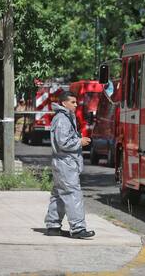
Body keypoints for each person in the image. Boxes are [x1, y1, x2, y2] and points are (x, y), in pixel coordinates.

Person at [44, 91, 95, 238]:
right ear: (64, 103)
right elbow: (62, 142)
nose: (76, 105)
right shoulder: (62, 119)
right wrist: (80, 141)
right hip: (65, 162)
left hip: (63, 162)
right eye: (72, 102)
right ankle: (78, 229)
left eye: (76, 102)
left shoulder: (64, 118)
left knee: (59, 194)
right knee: (73, 194)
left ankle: (53, 225)